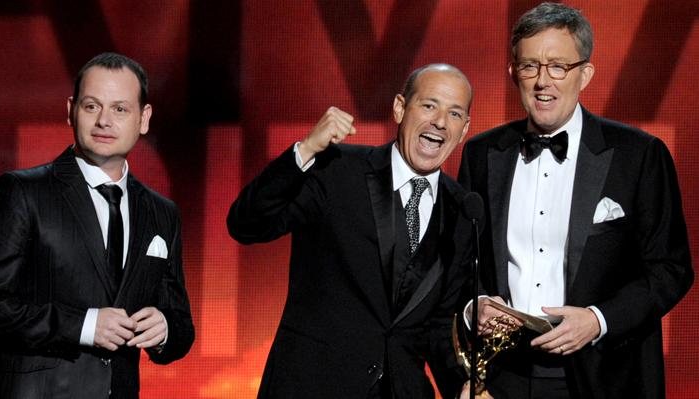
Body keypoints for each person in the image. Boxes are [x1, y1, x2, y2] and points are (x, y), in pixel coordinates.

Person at [457, 3, 693, 399]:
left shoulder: (638, 154)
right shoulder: (482, 153)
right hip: (504, 375)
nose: (542, 82)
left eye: (557, 67)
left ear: (585, 74)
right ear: (514, 73)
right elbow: (463, 260)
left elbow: (671, 269)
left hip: (602, 375)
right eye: (530, 66)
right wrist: (475, 305)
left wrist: (597, 320)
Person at [228, 64, 476, 398]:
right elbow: (246, 224)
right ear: (400, 108)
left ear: (464, 130)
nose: (441, 122)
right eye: (429, 105)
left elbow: (438, 325)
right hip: (312, 386)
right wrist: (305, 151)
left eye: (455, 113)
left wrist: (465, 386)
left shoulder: (463, 209)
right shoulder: (338, 168)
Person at [0, 52, 194, 399]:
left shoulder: (161, 212)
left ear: (144, 118)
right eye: (91, 106)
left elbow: (181, 326)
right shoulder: (24, 192)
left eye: (120, 109)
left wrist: (165, 328)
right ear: (71, 110)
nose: (104, 121)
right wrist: (83, 325)